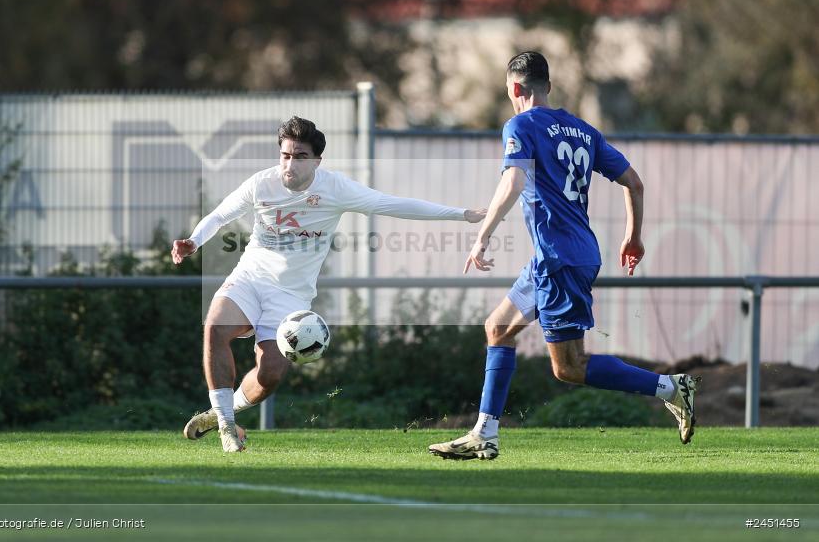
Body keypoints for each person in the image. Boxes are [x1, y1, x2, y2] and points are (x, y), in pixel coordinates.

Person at [428, 51, 700, 461]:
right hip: (559, 257)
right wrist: (633, 238)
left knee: (568, 367)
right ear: (548, 87)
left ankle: (671, 387)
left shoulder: (519, 125)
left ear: (515, 89)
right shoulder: (583, 130)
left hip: (561, 260)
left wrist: (483, 234)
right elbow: (635, 184)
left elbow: (514, 181)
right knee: (498, 327)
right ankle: (485, 433)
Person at [173, 115, 485, 452]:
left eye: (300, 156)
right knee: (215, 328)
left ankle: (222, 412)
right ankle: (227, 429)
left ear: (317, 161)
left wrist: (461, 214)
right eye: (285, 155)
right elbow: (221, 214)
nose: (290, 164)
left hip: (290, 296)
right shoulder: (261, 184)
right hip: (249, 278)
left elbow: (392, 204)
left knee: (270, 377)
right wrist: (194, 240)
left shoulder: (335, 189)